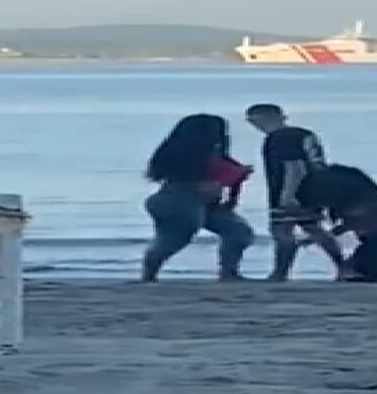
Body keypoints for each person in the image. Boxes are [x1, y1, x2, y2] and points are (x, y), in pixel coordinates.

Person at [141, 114, 254, 282]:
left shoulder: (211, 154)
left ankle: (229, 272)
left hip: (200, 203)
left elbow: (225, 182)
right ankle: (149, 275)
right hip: (179, 201)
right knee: (173, 240)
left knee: (238, 232)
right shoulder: (186, 155)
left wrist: (231, 194)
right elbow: (203, 184)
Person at [244, 103, 345, 281]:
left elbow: (294, 166)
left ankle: (280, 272)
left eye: (253, 120)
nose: (253, 125)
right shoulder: (304, 134)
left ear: (263, 118)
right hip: (315, 189)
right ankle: (343, 266)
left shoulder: (279, 138)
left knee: (282, 230)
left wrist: (289, 194)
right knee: (314, 228)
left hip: (292, 191)